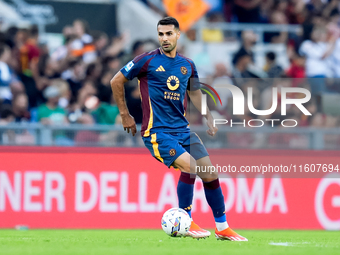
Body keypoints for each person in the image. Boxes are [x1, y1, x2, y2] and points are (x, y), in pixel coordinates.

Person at [110, 17, 247, 241]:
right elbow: (116, 81)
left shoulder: (188, 65)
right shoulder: (146, 61)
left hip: (183, 131)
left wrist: (207, 115)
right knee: (191, 167)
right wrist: (125, 115)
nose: (164, 38)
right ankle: (186, 219)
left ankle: (222, 227)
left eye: (169, 34)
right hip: (158, 133)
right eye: (161, 34)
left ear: (178, 35)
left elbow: (194, 92)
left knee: (210, 173)